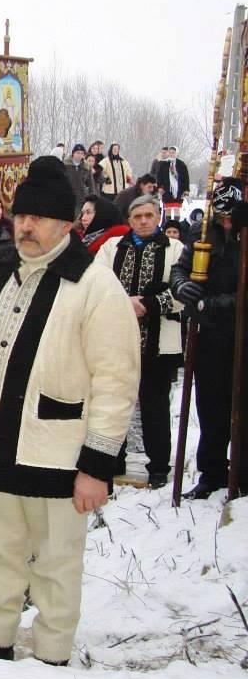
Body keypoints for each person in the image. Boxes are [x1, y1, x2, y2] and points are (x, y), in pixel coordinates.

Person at [0, 156, 140, 665]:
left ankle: (52, 654)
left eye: (40, 218)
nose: (27, 225)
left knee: (57, 563)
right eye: (23, 216)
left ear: (67, 224)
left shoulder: (95, 286)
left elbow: (116, 382)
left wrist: (97, 466)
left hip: (60, 453)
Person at [96, 195, 184, 488]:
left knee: (155, 405)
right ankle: (112, 459)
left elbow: (184, 291)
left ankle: (158, 466)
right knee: (113, 402)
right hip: (116, 340)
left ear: (158, 216)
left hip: (156, 343)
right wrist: (124, 303)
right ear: (129, 220)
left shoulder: (175, 249)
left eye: (149, 215)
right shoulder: (112, 248)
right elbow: (95, 282)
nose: (144, 221)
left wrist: (148, 303)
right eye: (137, 216)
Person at [171, 178, 248, 499]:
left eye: (231, 217)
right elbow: (181, 270)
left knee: (241, 406)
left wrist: (213, 303)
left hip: (241, 332)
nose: (226, 222)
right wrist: (181, 286)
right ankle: (212, 471)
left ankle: (242, 473)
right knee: (210, 405)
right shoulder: (204, 235)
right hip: (210, 334)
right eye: (222, 217)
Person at [64, 144, 91, 216]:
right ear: (73, 153)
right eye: (78, 153)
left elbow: (91, 183)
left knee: (80, 218)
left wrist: (92, 196)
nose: (79, 155)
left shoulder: (86, 166)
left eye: (82, 153)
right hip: (68, 196)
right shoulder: (65, 165)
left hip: (81, 197)